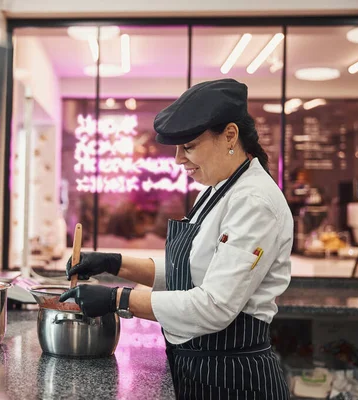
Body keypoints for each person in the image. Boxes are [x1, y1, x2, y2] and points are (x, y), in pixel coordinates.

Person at [60, 78, 293, 399]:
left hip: (233, 377)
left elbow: (214, 306)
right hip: (198, 366)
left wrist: (118, 300)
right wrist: (113, 263)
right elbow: (187, 272)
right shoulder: (215, 190)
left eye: (189, 146)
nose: (178, 159)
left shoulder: (255, 202)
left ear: (230, 135)